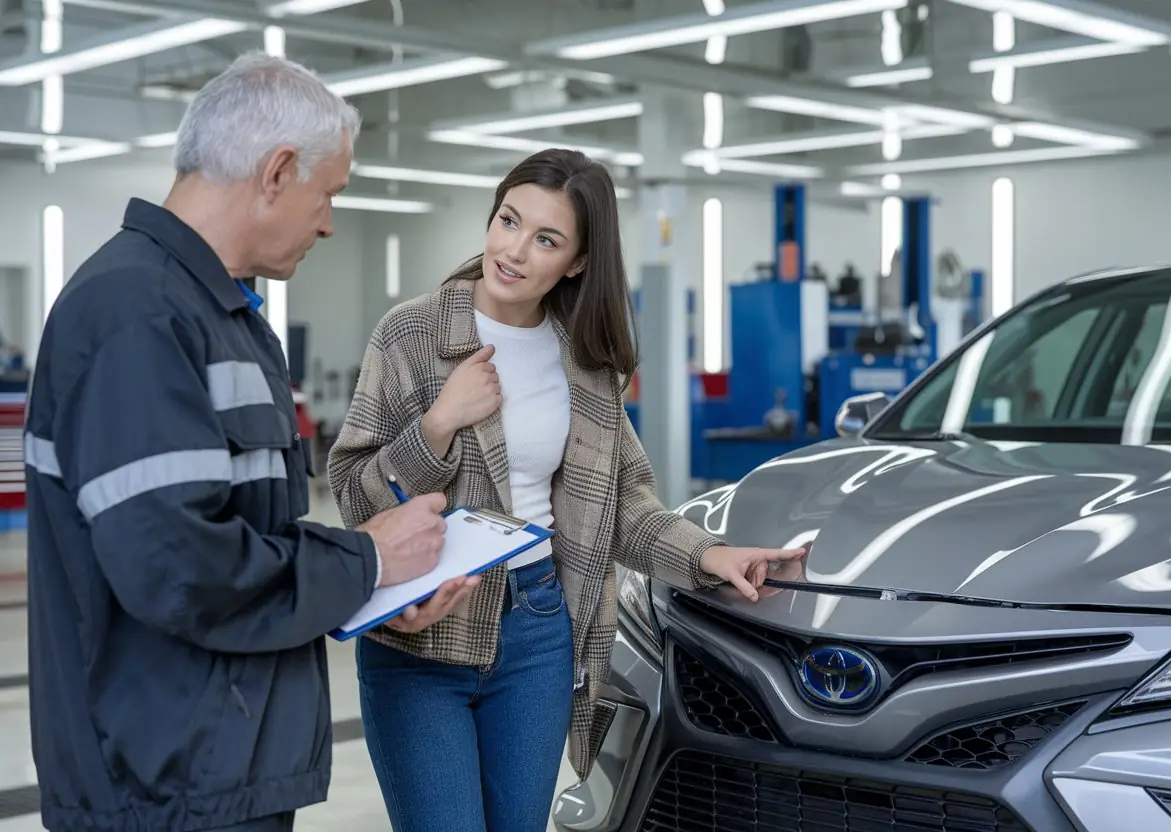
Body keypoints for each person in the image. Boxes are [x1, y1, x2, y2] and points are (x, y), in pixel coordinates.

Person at [22, 52, 476, 832]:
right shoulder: (138, 314)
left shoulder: (215, 311)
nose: (330, 221)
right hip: (162, 784)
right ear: (276, 172)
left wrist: (367, 589)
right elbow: (179, 565)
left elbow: (239, 535)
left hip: (213, 761)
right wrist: (364, 559)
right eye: (327, 193)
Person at [327, 148, 805, 832]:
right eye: (507, 220)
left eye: (545, 238)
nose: (514, 250)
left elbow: (624, 501)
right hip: (425, 637)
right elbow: (353, 495)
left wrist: (707, 556)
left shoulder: (585, 361)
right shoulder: (412, 335)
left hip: (540, 632)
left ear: (577, 262)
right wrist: (437, 425)